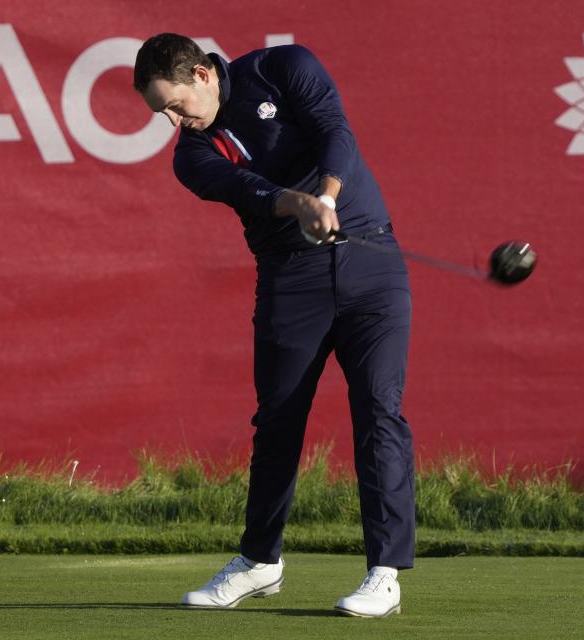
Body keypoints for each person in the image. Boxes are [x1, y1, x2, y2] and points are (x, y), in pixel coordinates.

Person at [133, 33, 414, 618]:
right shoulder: (193, 156)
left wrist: (328, 196)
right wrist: (299, 203)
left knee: (378, 411)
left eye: (175, 104)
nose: (170, 120)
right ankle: (260, 562)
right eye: (159, 111)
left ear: (203, 75)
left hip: (371, 263)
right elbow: (250, 191)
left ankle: (383, 573)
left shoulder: (284, 66)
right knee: (279, 422)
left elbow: (335, 131)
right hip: (292, 279)